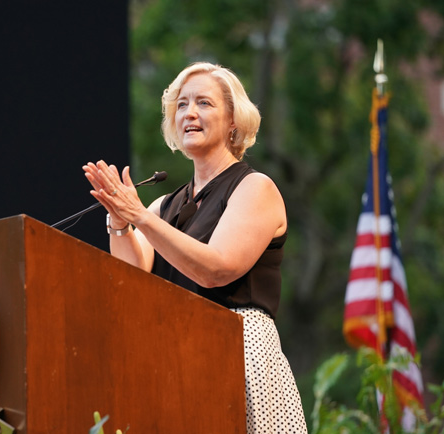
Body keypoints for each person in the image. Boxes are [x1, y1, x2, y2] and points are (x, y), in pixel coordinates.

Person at [83, 62, 307, 433]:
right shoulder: (163, 207)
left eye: (204, 103)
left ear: (233, 120)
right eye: (182, 105)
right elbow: (131, 278)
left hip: (241, 350)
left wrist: (139, 216)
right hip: (178, 356)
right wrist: (120, 222)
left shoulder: (255, 189)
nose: (189, 113)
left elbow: (215, 269)